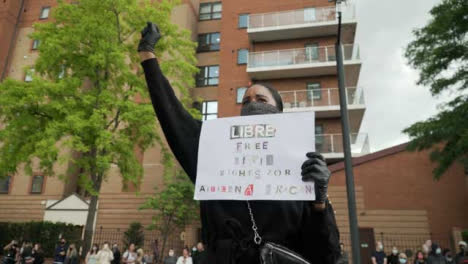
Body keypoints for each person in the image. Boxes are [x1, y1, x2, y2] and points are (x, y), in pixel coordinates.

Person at [138, 21, 340, 264]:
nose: (252, 103)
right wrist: (148, 55)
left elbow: (325, 255)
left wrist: (319, 203)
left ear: (279, 112)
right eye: (246, 101)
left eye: (261, 99)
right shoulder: (214, 150)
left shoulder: (301, 165)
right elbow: (173, 116)